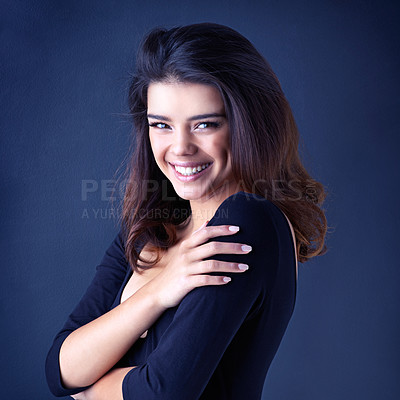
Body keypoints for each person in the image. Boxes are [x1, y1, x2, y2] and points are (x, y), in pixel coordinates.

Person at [45, 22, 328, 399]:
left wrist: (91, 390)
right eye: (161, 124)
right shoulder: (149, 231)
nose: (180, 148)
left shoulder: (249, 222)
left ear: (249, 124)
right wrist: (162, 290)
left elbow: (163, 393)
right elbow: (60, 370)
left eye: (205, 124)